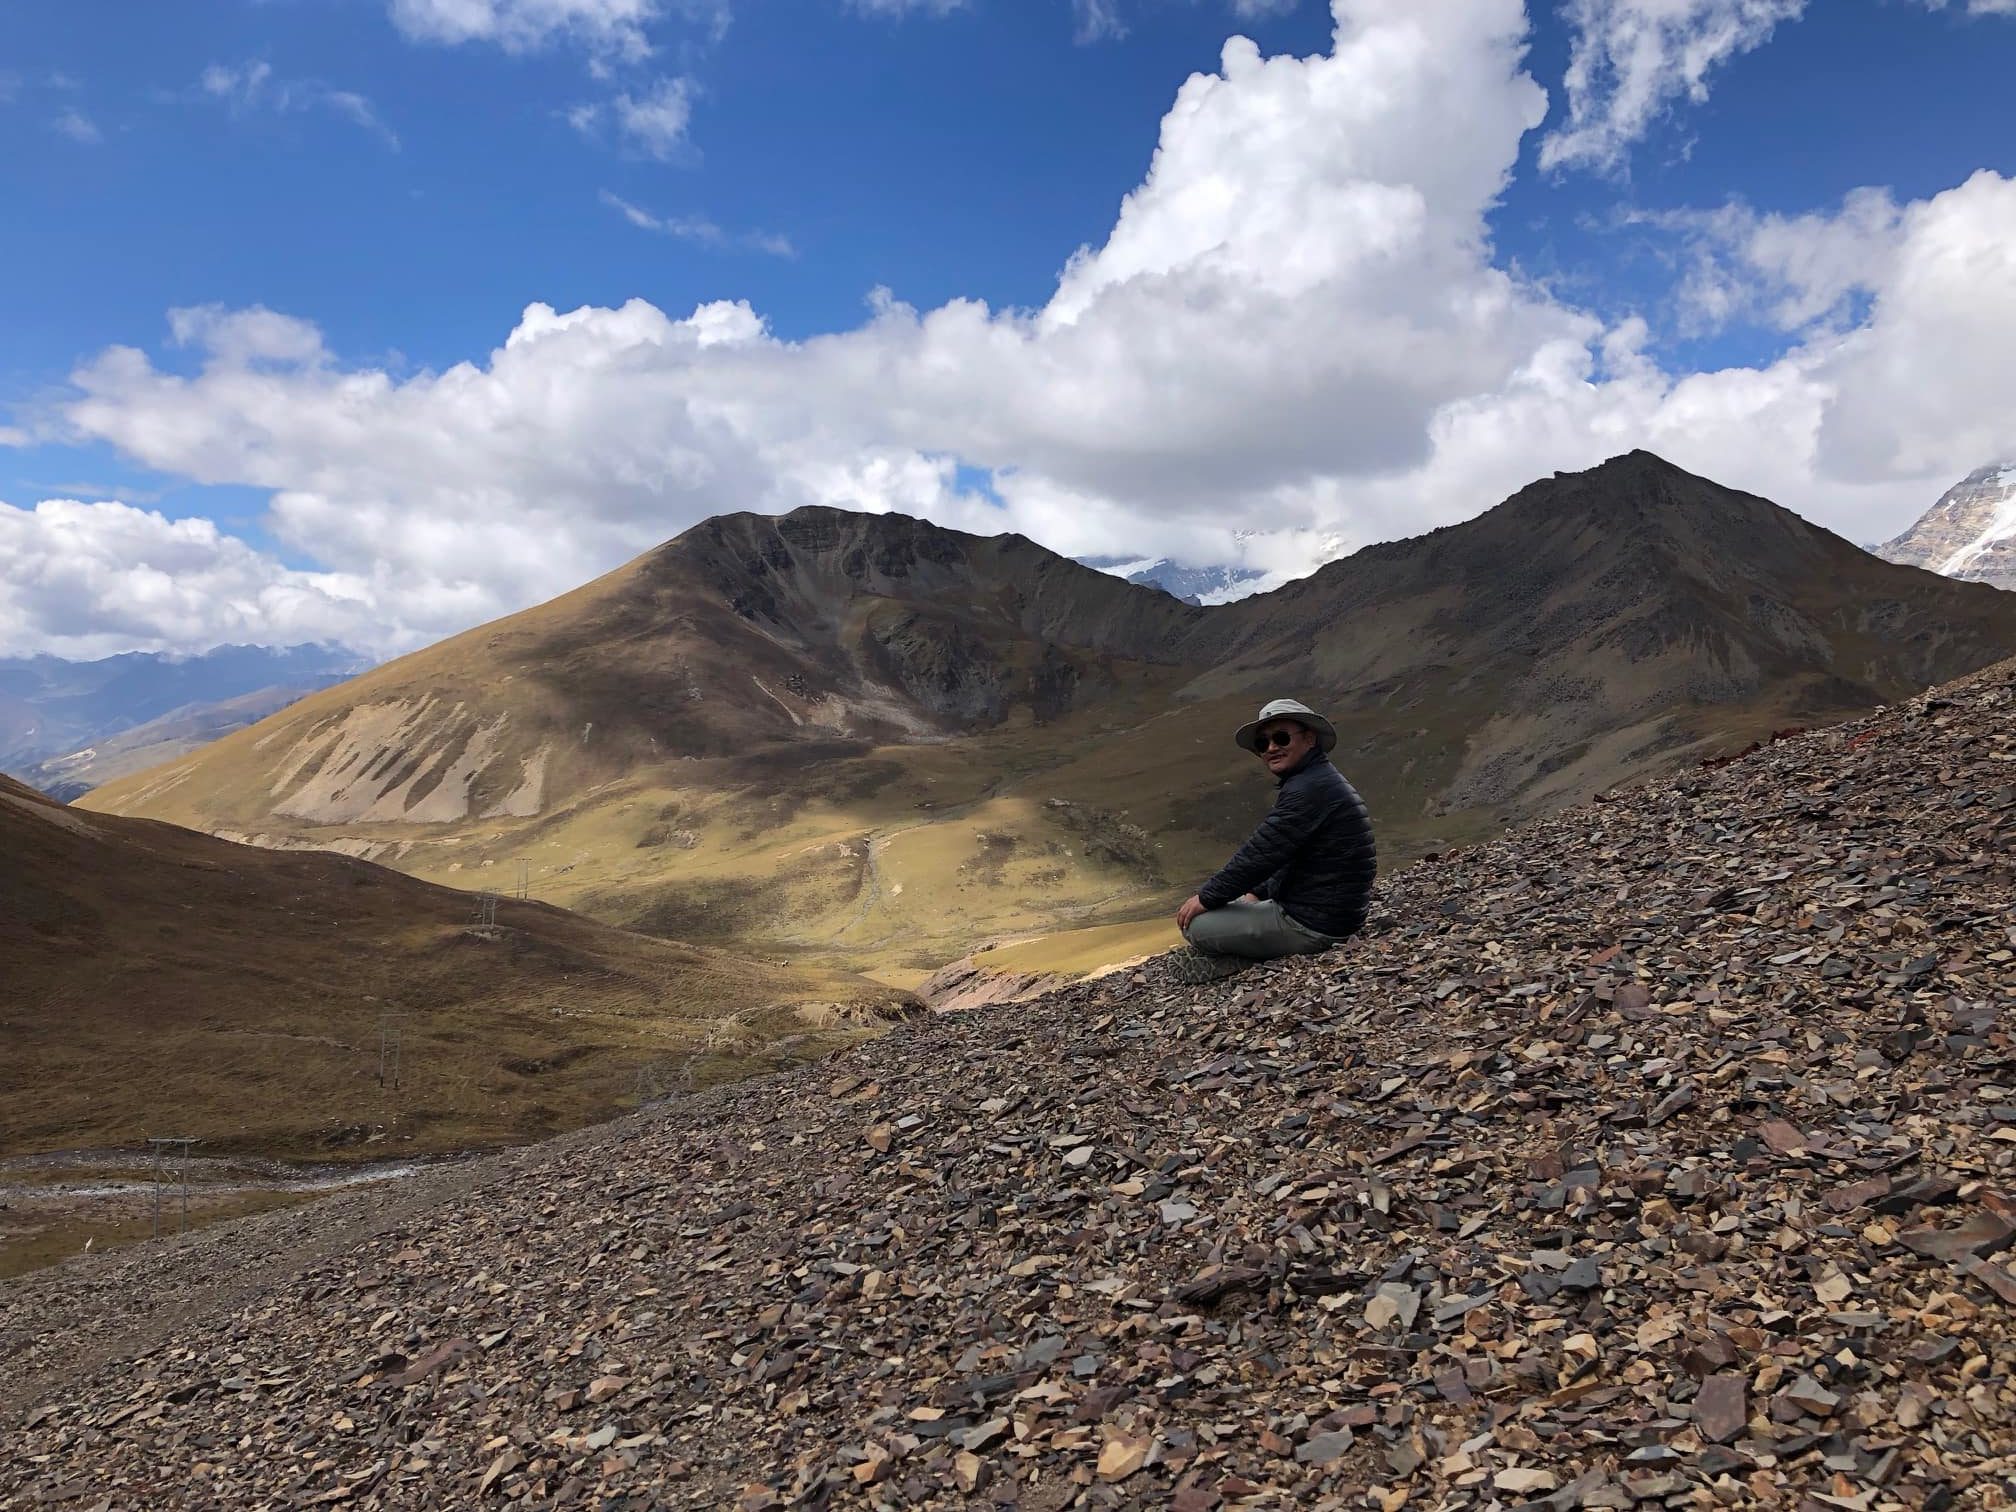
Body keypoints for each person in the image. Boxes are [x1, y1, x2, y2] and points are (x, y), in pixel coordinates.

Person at [1169, 697, 1377, 983]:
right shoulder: (1316, 781)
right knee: (1241, 903)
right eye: (1262, 743)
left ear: (1309, 739)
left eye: (1281, 738)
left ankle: (1243, 960)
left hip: (1314, 925)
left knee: (1196, 926)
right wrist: (1257, 891)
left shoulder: (1308, 789)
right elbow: (1286, 853)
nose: (1271, 748)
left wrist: (1206, 897)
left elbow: (1261, 852)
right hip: (1331, 914)